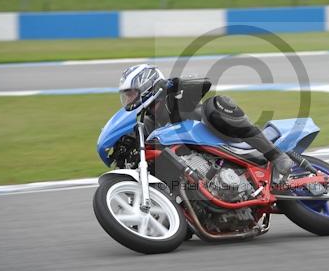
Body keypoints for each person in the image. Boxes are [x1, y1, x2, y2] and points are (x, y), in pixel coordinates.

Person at [118, 64, 294, 182]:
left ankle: (276, 155)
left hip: (220, 138)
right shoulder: (147, 122)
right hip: (199, 167)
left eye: (131, 93)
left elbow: (204, 84)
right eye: (126, 95)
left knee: (215, 106)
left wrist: (172, 84)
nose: (129, 99)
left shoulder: (173, 99)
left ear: (147, 86)